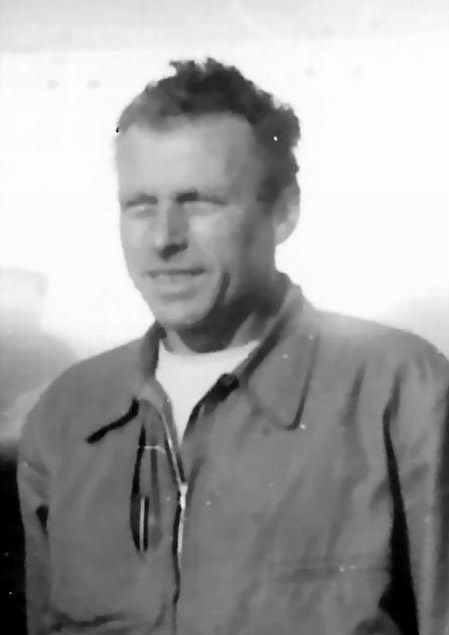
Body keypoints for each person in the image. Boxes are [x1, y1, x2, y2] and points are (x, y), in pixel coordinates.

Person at [18, 58, 449, 635]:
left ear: (284, 212)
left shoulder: (400, 390)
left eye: (200, 202)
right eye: (140, 205)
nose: (164, 238)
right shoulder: (67, 415)